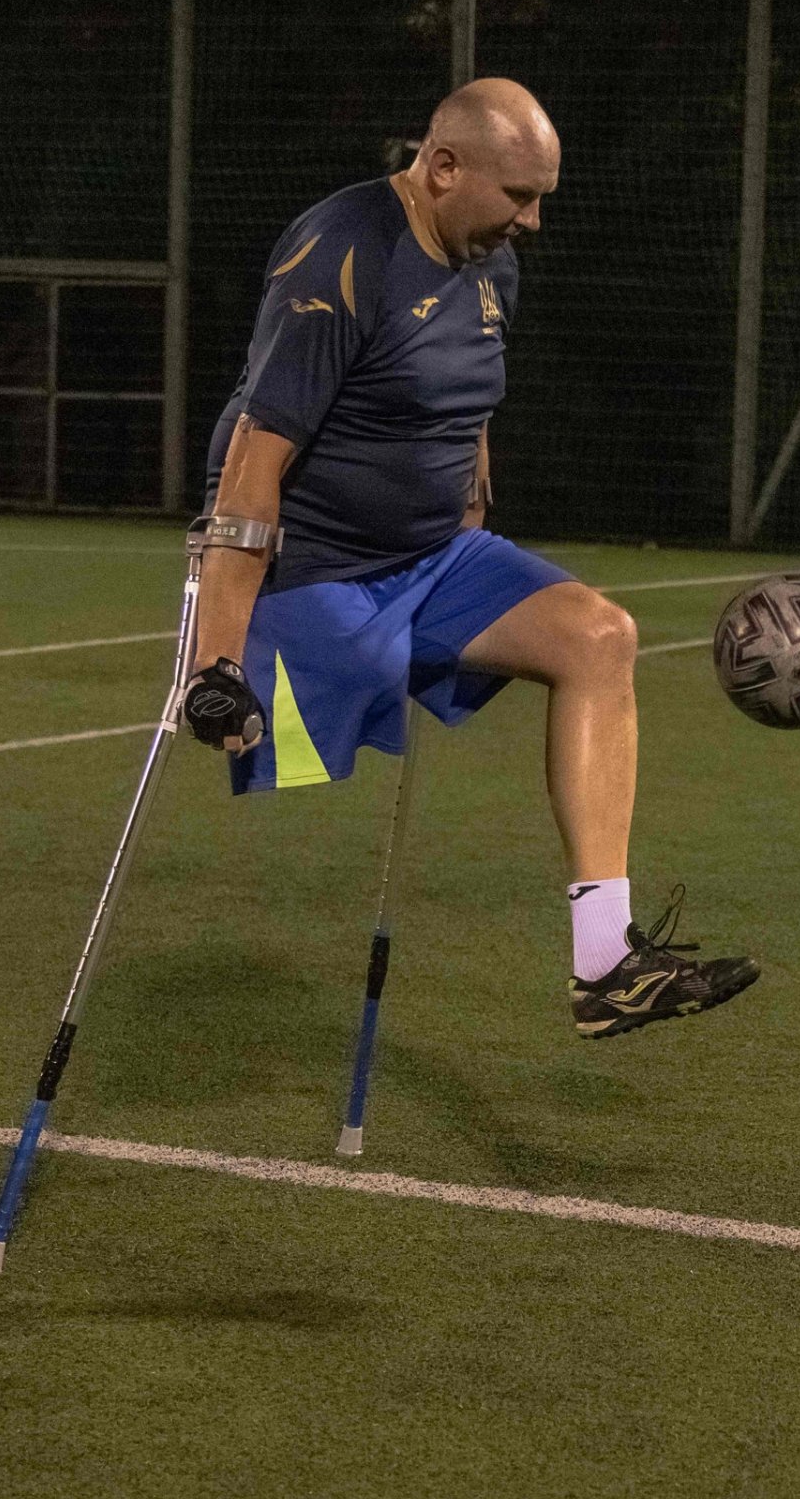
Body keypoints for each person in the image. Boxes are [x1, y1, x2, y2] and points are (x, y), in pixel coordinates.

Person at [177, 77, 759, 1038]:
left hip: (435, 556)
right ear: (442, 168)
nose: (531, 220)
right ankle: (265, 668)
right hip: (313, 572)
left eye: (542, 199)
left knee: (599, 636)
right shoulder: (343, 256)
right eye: (518, 195)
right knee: (316, 695)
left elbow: (468, 400)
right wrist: (213, 662)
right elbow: (251, 464)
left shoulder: (491, 261)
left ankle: (606, 964)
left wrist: (474, 511)